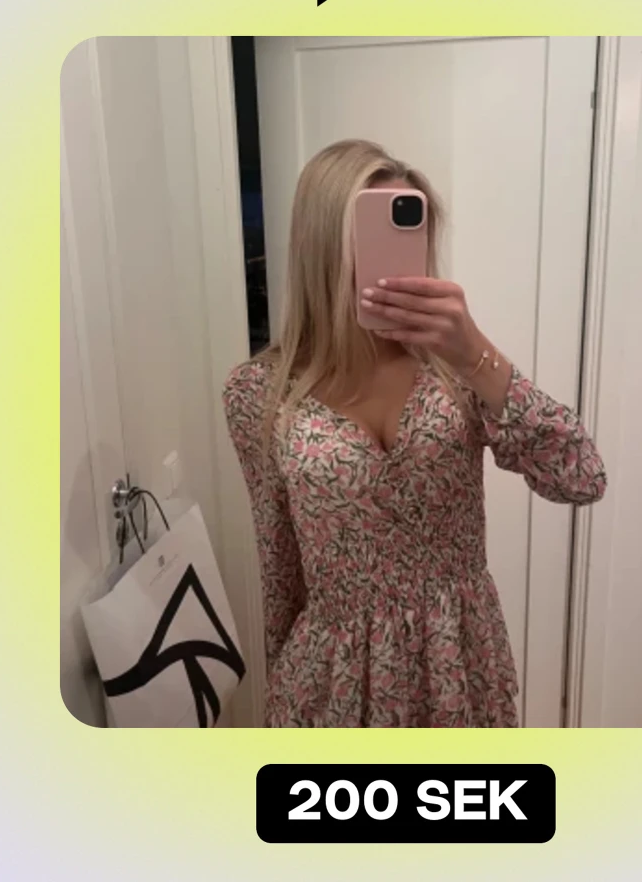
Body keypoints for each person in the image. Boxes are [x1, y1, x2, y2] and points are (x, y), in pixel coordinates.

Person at [222, 139, 607, 728]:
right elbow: (279, 567)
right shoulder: (259, 393)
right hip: (334, 685)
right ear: (324, 245)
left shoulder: (456, 368)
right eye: (373, 234)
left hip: (460, 671)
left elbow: (580, 475)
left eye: (414, 231)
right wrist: (282, 694)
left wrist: (476, 353)